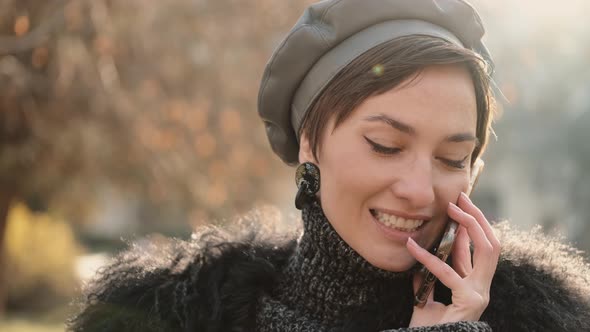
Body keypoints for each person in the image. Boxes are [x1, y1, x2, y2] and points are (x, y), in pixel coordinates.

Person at [67, 0, 590, 331]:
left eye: (453, 158)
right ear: (309, 142)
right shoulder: (164, 315)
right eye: (385, 145)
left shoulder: (537, 318)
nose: (418, 190)